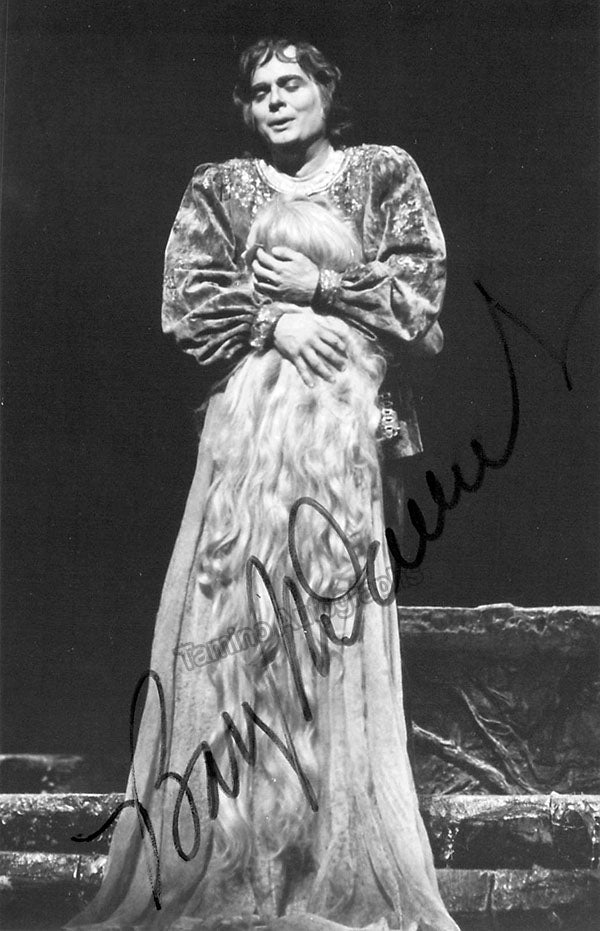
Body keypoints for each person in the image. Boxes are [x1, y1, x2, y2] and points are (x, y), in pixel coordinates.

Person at [67, 37, 456, 931]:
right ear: (245, 109)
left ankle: (328, 858)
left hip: (347, 444)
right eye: (260, 90)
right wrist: (273, 321)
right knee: (237, 631)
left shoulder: (383, 174)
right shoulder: (219, 189)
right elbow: (186, 303)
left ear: (326, 90)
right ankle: (237, 855)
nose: (276, 99)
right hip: (247, 449)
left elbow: (420, 294)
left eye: (293, 83)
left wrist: (325, 283)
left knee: (328, 634)